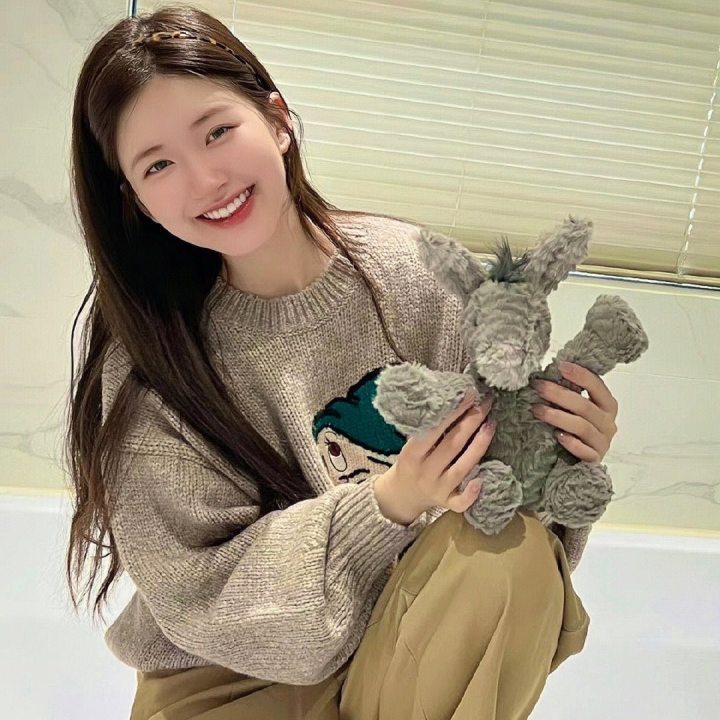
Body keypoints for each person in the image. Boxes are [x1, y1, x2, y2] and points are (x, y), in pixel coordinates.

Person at [64, 6, 620, 719]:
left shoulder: (419, 278)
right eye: (159, 164)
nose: (205, 178)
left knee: (508, 550)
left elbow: (518, 554)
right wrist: (388, 504)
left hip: (406, 643)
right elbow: (202, 598)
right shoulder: (151, 367)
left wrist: (567, 445)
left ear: (278, 119)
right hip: (226, 682)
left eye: (217, 131)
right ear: (137, 201)